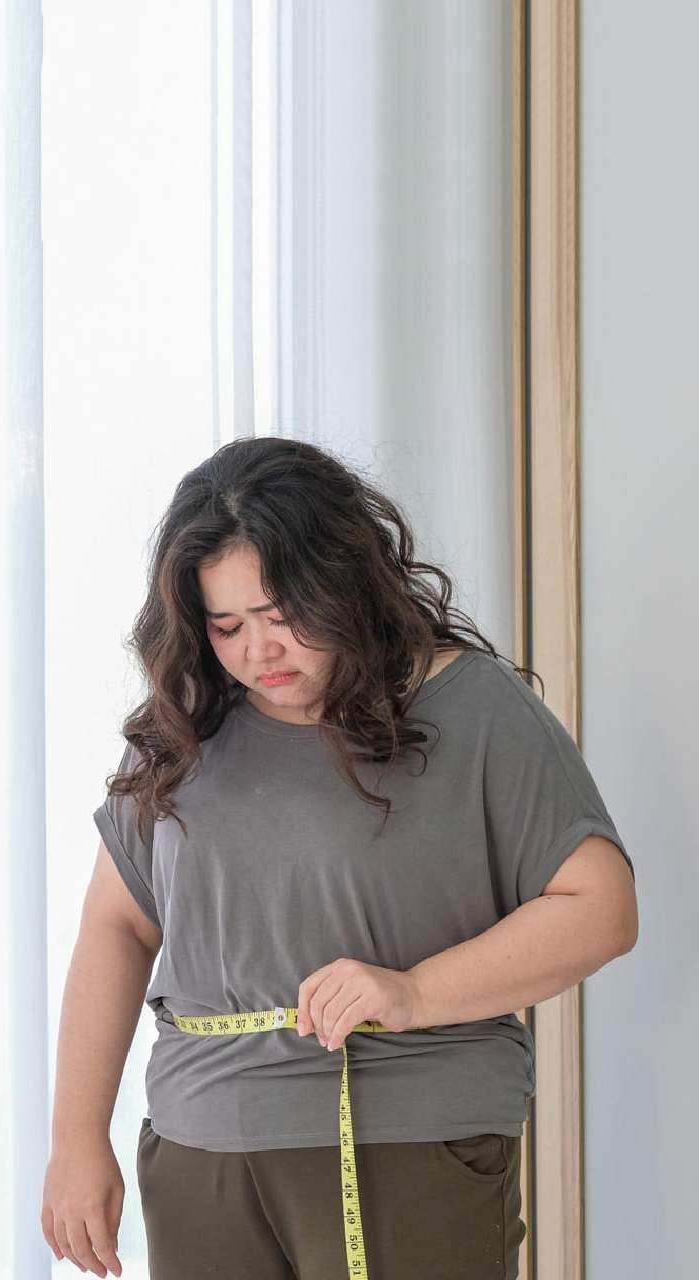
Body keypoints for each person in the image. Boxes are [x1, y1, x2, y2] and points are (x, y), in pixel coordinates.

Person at [40, 436, 638, 1280]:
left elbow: (601, 908)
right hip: (199, 1145)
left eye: (283, 615)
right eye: (227, 626)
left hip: (407, 1136)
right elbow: (119, 925)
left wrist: (413, 992)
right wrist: (76, 1139)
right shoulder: (186, 723)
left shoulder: (472, 708)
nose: (259, 651)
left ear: (344, 583)